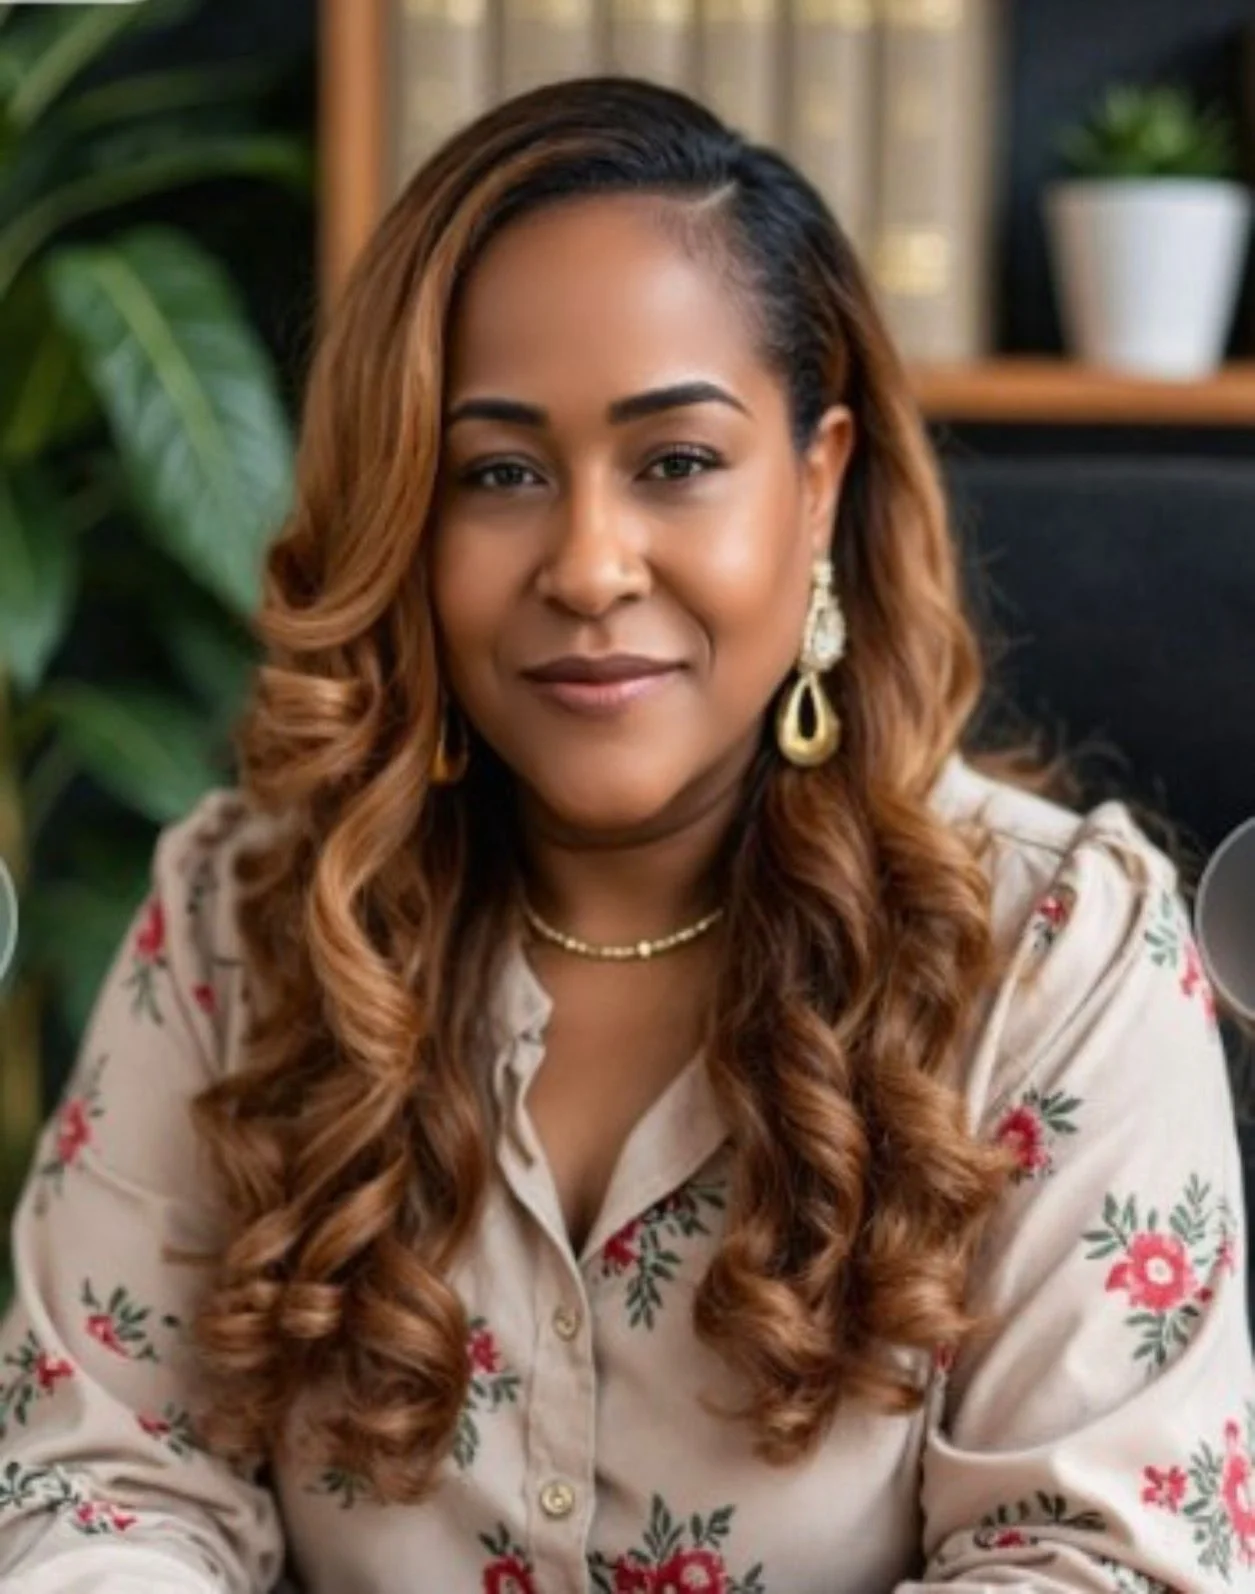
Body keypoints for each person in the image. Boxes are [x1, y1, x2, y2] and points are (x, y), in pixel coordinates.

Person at [0, 76, 1250, 1594]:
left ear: (817, 481)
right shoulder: (239, 917)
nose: (588, 565)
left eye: (674, 462)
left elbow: (1092, 1562)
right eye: (499, 473)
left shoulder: (1059, 958)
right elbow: (98, 1483)